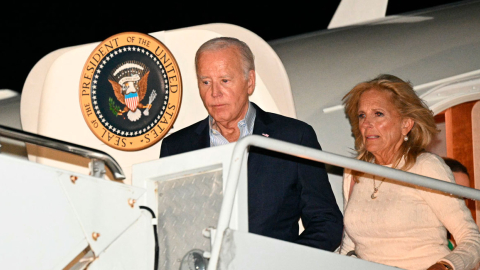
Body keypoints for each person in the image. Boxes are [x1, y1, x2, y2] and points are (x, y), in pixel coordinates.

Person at [160, 37, 343, 250]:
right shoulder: (177, 148)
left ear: (250, 81)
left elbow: (327, 223)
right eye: (206, 82)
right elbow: (168, 232)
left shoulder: (293, 137)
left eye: (225, 80)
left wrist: (285, 263)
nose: (214, 93)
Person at [339, 74, 480, 270]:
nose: (366, 124)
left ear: (406, 124)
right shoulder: (355, 171)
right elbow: (350, 245)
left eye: (378, 114)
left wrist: (443, 267)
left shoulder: (426, 167)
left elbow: (471, 238)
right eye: (362, 115)